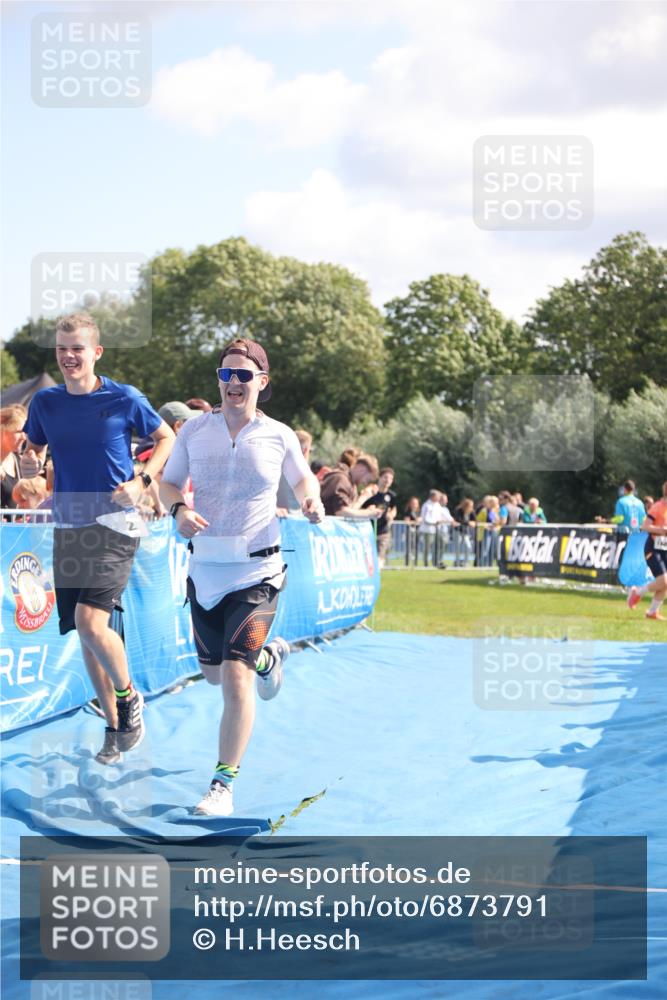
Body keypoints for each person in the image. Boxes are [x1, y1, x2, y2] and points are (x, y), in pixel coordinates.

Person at [160, 337, 325, 816]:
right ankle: (270, 661)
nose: (233, 383)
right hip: (206, 570)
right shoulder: (195, 432)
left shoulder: (279, 434)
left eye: (244, 375)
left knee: (235, 675)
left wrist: (310, 500)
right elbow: (168, 481)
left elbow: (302, 479)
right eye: (225, 374)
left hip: (259, 569)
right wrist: (178, 509)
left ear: (261, 382)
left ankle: (222, 785)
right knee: (212, 675)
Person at [20, 313, 174, 764]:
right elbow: (34, 453)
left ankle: (129, 700)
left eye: (77, 349)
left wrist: (143, 481)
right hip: (68, 524)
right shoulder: (45, 403)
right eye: (62, 349)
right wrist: (31, 467)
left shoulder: (123, 397)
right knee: (86, 635)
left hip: (115, 523)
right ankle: (114, 725)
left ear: (96, 353)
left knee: (90, 622)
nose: (69, 357)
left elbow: (165, 437)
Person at [627, 481, 667, 621]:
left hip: (664, 549)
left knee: (664, 584)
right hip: (653, 548)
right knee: (664, 581)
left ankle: (652, 613)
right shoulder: (657, 507)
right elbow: (644, 526)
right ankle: (637, 592)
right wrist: (661, 530)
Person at [320, 454, 381, 519]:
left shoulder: (351, 484)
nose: (365, 483)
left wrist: (363, 497)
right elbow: (341, 512)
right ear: (362, 470)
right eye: (368, 479)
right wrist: (369, 514)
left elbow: (350, 511)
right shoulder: (341, 479)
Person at [360, 467, 397, 568]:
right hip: (368, 530)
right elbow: (359, 507)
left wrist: (392, 515)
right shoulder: (371, 492)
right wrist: (368, 509)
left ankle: (378, 573)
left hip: (383, 531)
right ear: (380, 478)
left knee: (379, 557)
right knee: (367, 557)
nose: (387, 481)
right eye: (385, 477)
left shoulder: (392, 495)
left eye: (390, 479)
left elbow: (393, 509)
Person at [276, 429, 312, 515]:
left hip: (276, 520)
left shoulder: (276, 466)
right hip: (295, 522)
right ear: (306, 450)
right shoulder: (305, 471)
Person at [0, 404, 27, 510]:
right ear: (2, 431)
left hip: (16, 526)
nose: (24, 437)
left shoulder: (19, 461)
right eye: (19, 432)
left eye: (25, 432)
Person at [419, 489, 443, 566]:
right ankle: (426, 563)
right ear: (433, 496)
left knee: (438, 546)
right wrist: (434, 522)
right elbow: (424, 518)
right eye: (438, 496)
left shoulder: (438, 505)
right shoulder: (426, 505)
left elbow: (442, 515)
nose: (439, 498)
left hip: (437, 529)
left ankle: (435, 562)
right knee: (427, 547)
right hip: (428, 530)